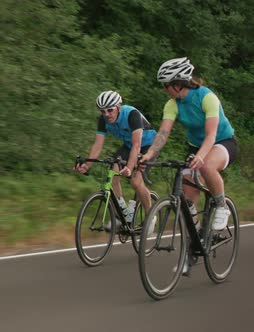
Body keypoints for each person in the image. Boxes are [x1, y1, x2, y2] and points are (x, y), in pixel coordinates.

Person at [140, 57, 238, 274]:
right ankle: (195, 244)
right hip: (195, 146)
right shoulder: (172, 104)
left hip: (223, 142)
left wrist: (201, 157)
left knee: (206, 167)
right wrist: (149, 154)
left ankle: (221, 206)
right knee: (186, 189)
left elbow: (211, 134)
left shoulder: (206, 97)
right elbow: (163, 133)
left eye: (166, 85)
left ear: (178, 83)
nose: (165, 89)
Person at [75, 91, 157, 232]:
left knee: (135, 181)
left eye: (110, 110)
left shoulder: (132, 114)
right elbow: (98, 145)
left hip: (148, 145)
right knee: (113, 173)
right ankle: (122, 215)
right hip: (129, 145)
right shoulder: (103, 120)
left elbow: (137, 145)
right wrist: (87, 165)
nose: (106, 114)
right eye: (103, 111)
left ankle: (151, 216)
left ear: (118, 107)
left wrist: (130, 167)